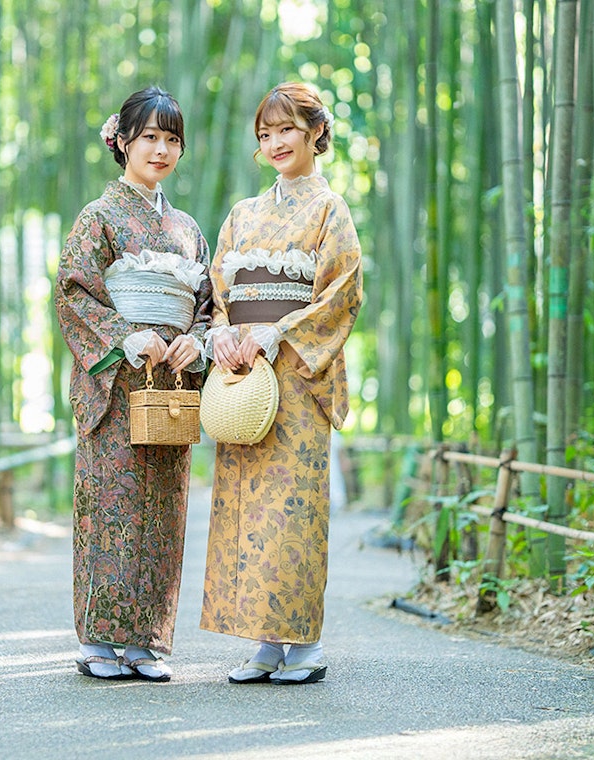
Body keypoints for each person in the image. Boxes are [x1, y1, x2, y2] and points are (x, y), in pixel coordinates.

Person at [199, 82, 363, 685]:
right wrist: (224, 333)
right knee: (246, 508)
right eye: (265, 133)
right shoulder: (243, 213)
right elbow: (221, 289)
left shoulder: (330, 210)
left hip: (295, 375)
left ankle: (304, 644)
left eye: (286, 129)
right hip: (242, 372)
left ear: (315, 132)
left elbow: (342, 293)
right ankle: (263, 643)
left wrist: (279, 334)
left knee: (293, 510)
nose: (275, 142)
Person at [55, 86, 212, 682]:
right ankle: (100, 638)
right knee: (110, 503)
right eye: (149, 136)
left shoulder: (187, 227)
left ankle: (148, 640)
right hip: (116, 385)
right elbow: (73, 290)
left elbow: (205, 303)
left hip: (170, 379)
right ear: (121, 141)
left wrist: (193, 339)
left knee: (165, 507)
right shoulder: (98, 217)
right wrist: (125, 334)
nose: (162, 149)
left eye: (172, 139)